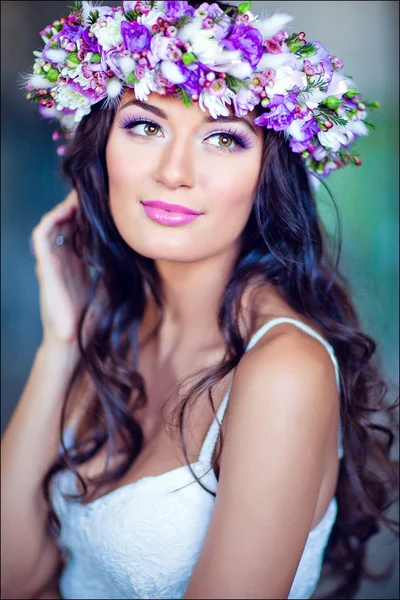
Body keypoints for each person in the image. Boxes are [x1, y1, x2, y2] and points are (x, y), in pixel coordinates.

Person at [1, 1, 398, 599]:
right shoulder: (118, 330)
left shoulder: (281, 369)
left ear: (271, 172)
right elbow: (14, 574)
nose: (175, 171)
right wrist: (60, 344)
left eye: (223, 138)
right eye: (145, 126)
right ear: (101, 146)